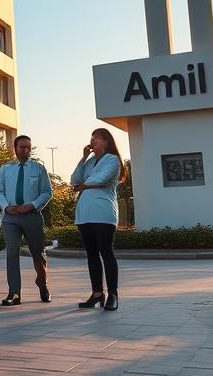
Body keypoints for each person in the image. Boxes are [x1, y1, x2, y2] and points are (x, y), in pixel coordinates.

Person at [0, 134, 53, 305]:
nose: (26, 150)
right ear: (15, 148)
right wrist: (6, 206)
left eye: (28, 147)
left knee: (38, 253)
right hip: (10, 217)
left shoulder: (39, 168)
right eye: (22, 147)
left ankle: (43, 286)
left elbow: (47, 192)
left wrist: (32, 205)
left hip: (31, 216)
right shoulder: (5, 168)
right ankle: (14, 293)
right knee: (11, 252)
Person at [71, 127, 126, 311]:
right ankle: (96, 294)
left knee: (106, 253)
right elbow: (74, 179)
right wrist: (83, 158)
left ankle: (113, 294)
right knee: (92, 254)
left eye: (96, 139)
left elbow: (101, 179)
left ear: (106, 142)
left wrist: (82, 186)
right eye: (91, 139)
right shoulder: (90, 162)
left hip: (103, 213)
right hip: (84, 214)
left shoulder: (112, 160)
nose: (92, 142)